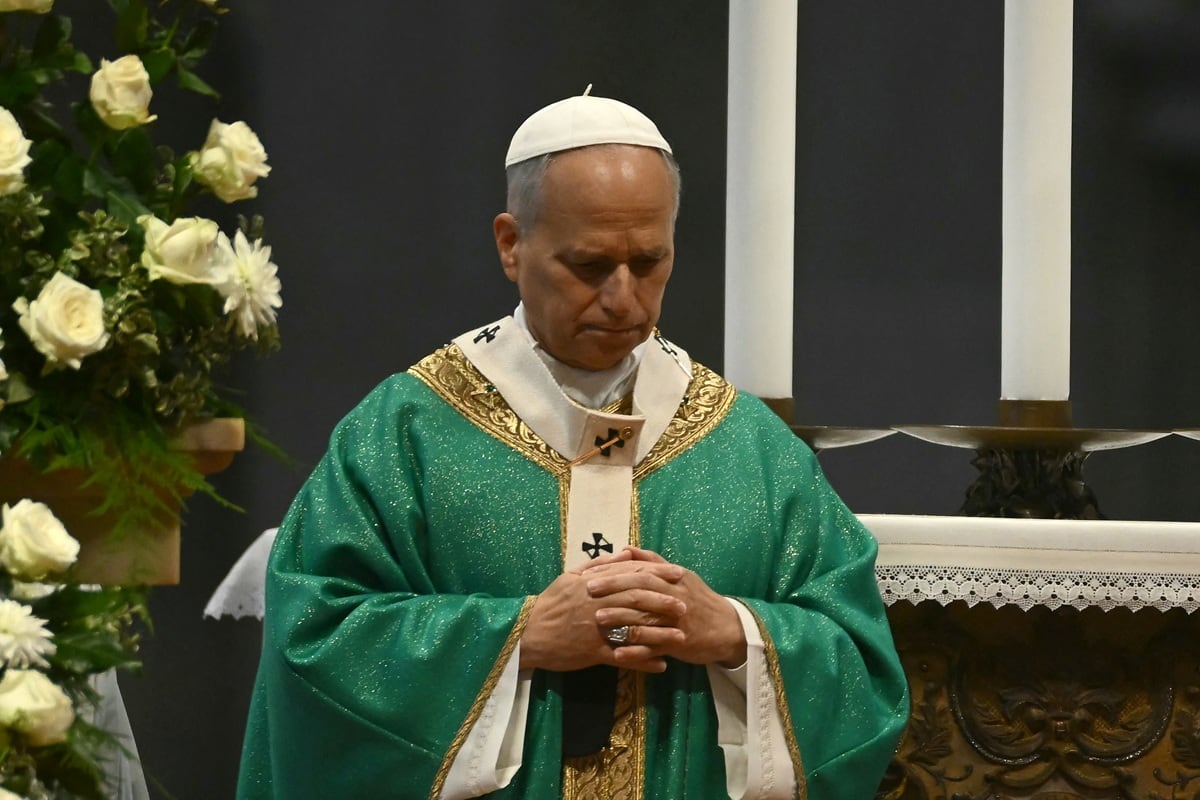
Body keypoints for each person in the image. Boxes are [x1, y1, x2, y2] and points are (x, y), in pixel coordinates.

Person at [237, 90, 909, 800]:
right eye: (589, 267)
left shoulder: (750, 448)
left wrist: (738, 634)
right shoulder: (409, 432)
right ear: (510, 243)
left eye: (650, 262)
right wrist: (516, 638)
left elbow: (861, 662)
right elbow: (313, 638)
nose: (625, 299)